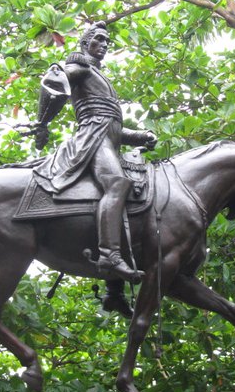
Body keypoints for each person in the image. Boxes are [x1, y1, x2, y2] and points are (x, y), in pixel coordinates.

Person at [33, 21, 156, 317]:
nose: (104, 44)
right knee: (117, 184)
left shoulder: (99, 76)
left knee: (133, 192)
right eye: (98, 39)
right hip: (92, 139)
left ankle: (114, 291)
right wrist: (42, 122)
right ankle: (110, 257)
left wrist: (140, 136)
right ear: (85, 42)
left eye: (107, 40)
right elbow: (53, 83)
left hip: (106, 137)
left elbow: (112, 126)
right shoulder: (83, 67)